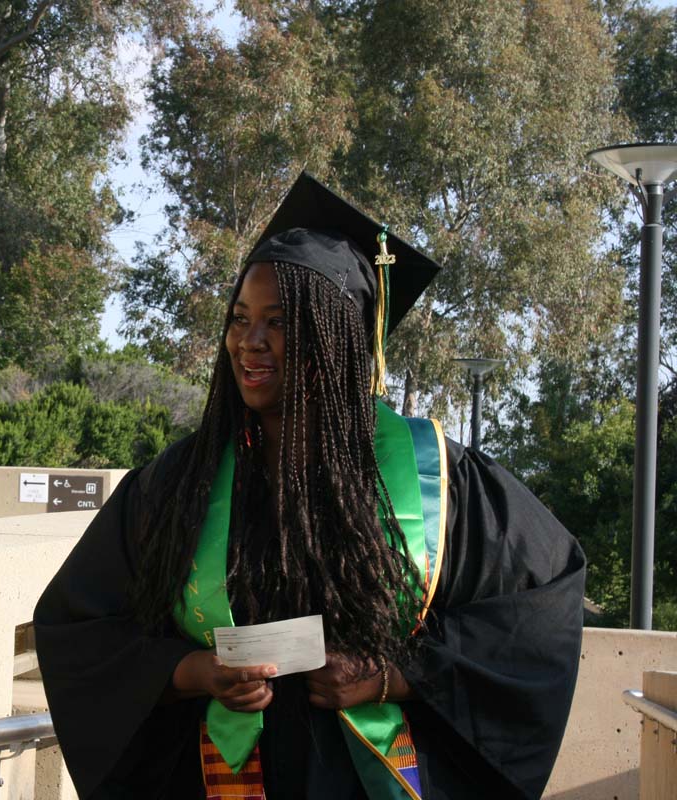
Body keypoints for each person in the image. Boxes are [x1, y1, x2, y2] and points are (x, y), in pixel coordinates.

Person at [32, 172, 586, 800]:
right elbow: (79, 626)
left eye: (278, 321)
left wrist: (393, 674)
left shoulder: (442, 481)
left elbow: (539, 612)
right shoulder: (176, 485)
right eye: (239, 320)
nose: (250, 342)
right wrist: (195, 671)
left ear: (336, 340)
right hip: (221, 775)